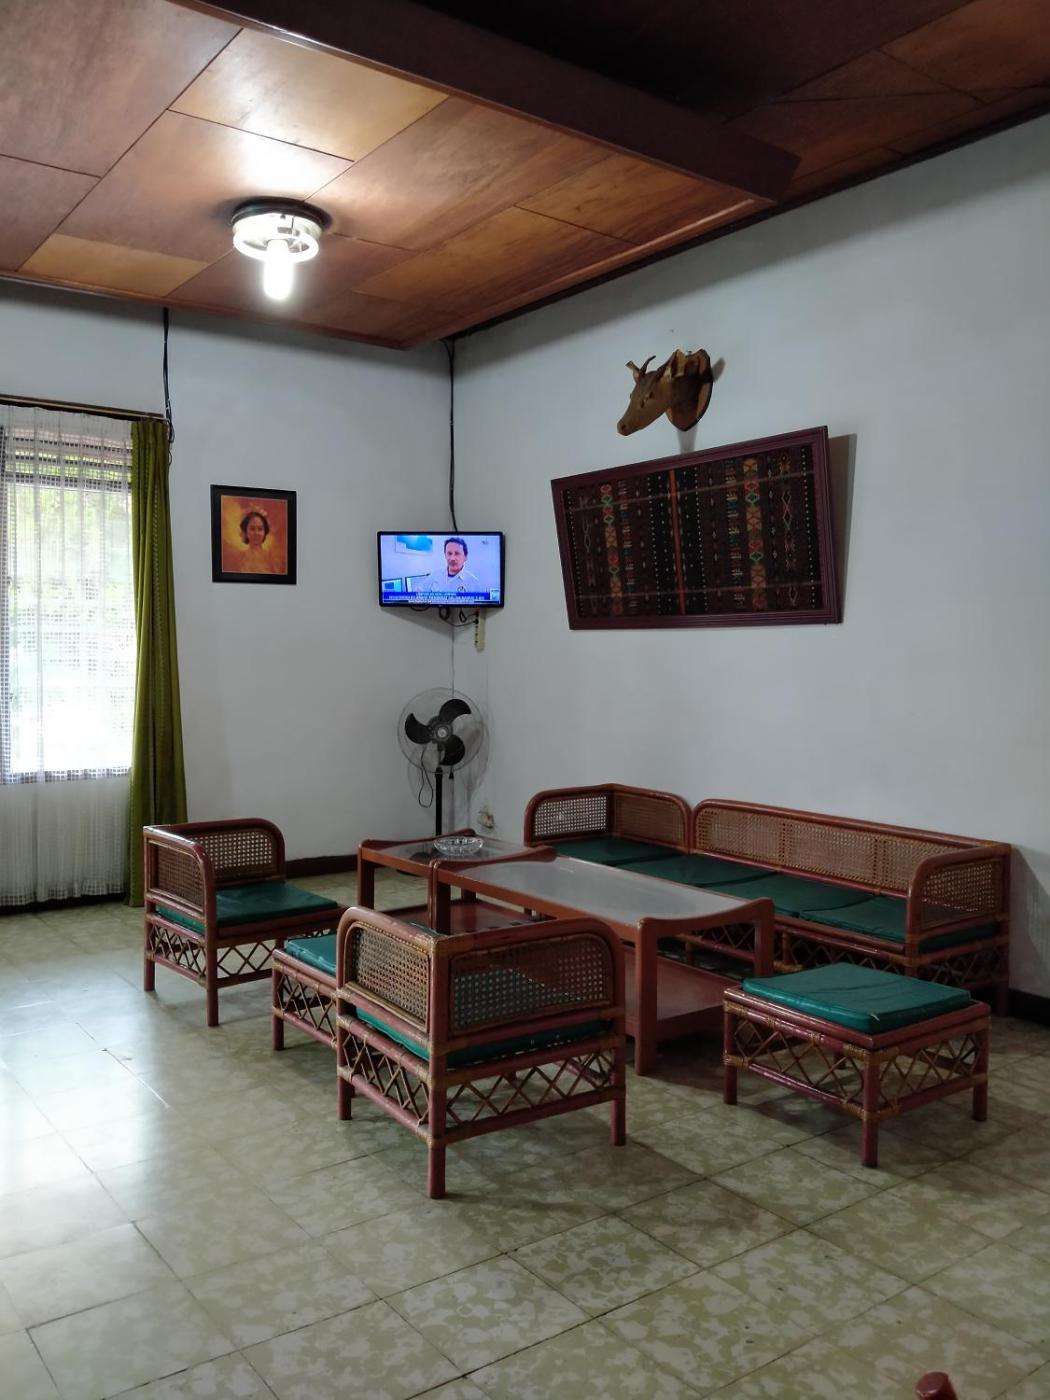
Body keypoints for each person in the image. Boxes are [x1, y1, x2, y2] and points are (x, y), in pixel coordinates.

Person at [418, 536, 485, 599]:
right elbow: (420, 590)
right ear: (445, 555)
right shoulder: (436, 574)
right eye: (449, 553)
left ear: (465, 557)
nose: (452, 558)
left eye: (457, 553)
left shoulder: (473, 582)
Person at [236, 507, 283, 574]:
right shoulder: (239, 558)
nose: (256, 533)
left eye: (260, 529)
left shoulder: (271, 558)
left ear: (265, 532)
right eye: (252, 529)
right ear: (246, 531)